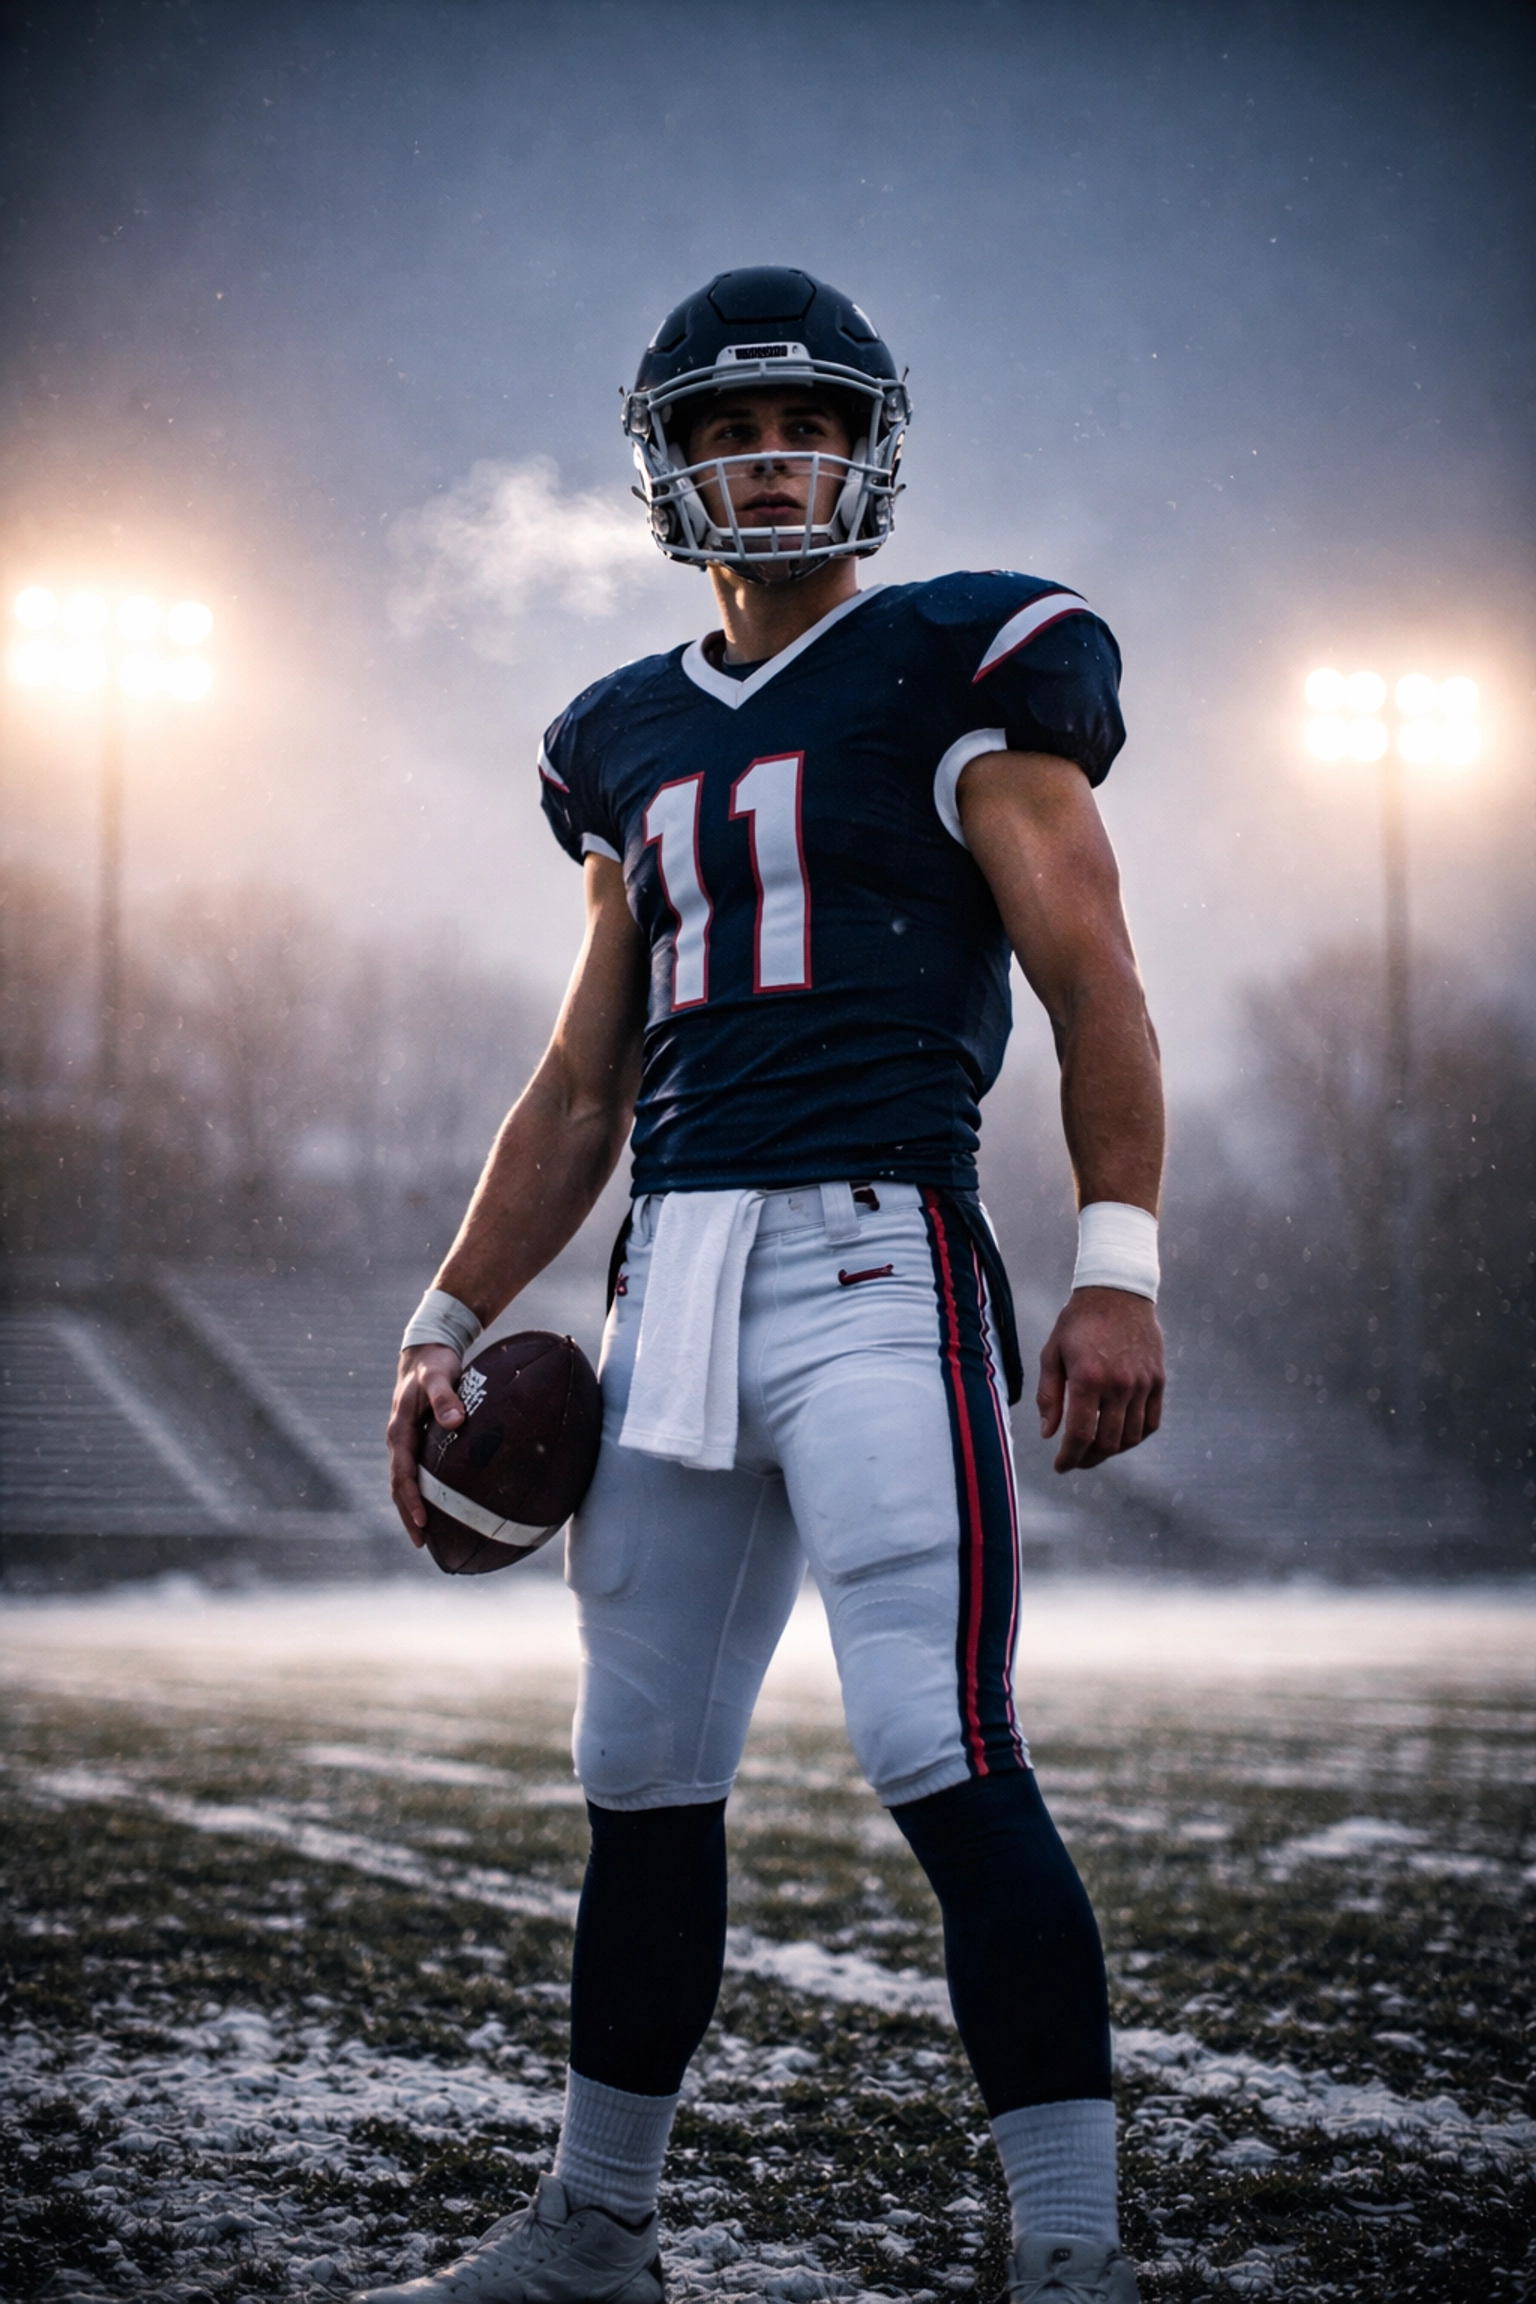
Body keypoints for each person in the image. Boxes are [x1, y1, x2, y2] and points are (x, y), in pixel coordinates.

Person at [373, 267, 1164, 2304]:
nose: (770, 453)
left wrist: (1117, 1266)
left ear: (870, 446)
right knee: (639, 1774)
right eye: (725, 429)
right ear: (669, 468)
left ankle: (1072, 2258)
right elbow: (579, 1078)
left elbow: (1095, 979)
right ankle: (597, 2231)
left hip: (875, 1253)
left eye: (802, 418)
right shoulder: (623, 739)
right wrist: (447, 1317)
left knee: (939, 1744)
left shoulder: (957, 664)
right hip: (675, 1287)